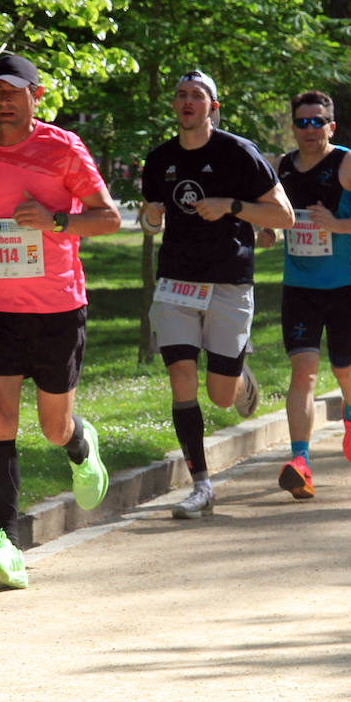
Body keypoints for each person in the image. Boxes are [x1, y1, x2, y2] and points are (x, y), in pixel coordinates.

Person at [0, 53, 121, 589]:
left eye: (14, 91)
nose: (4, 99)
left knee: (52, 427)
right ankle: (7, 543)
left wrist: (56, 220)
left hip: (56, 308)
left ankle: (79, 443)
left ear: (35, 96)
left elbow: (108, 217)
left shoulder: (63, 148)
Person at [140, 70, 294, 518]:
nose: (188, 102)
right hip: (176, 283)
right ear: (175, 106)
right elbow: (153, 222)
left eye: (198, 96)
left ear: (213, 107)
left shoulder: (238, 153)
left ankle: (241, 378)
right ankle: (202, 485)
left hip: (228, 280)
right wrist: (151, 217)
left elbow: (282, 216)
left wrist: (231, 206)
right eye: (182, 95)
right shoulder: (159, 159)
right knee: (181, 376)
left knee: (221, 396)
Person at [256, 91, 351, 499]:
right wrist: (265, 233)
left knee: (344, 366)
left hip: (345, 283)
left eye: (319, 122)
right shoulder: (281, 167)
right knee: (304, 372)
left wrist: (336, 225)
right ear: (294, 127)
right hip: (300, 284)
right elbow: (271, 219)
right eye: (303, 122)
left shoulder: (346, 163)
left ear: (331, 126)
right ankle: (301, 461)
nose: (310, 129)